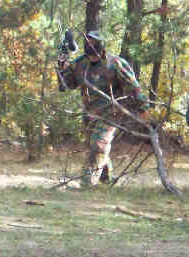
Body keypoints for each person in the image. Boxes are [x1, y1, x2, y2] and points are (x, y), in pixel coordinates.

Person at [57, 31, 151, 186]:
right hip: (90, 113)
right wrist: (62, 68)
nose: (91, 45)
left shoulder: (114, 63)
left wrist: (142, 109)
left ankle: (87, 183)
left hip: (112, 112)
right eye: (88, 42)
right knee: (95, 146)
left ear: (101, 45)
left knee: (99, 144)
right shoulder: (80, 64)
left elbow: (134, 86)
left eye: (94, 42)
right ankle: (107, 180)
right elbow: (69, 84)